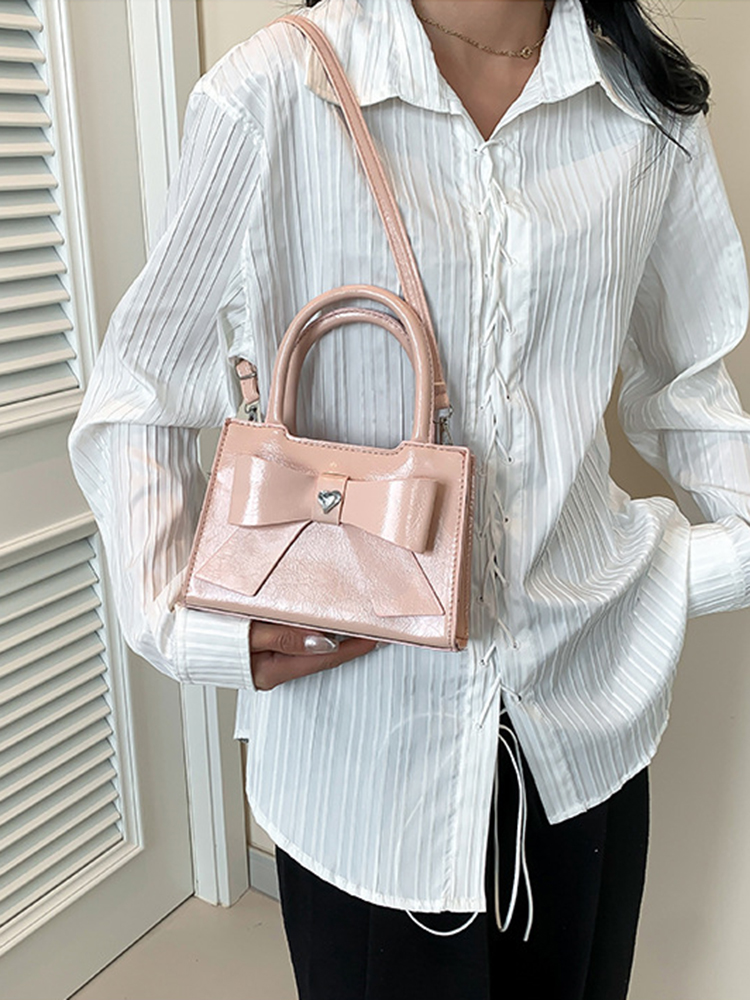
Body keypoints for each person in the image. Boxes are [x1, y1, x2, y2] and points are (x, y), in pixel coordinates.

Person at [66, 0, 750, 997]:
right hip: (359, 761)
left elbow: (688, 385)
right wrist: (193, 626)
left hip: (583, 731)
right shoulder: (274, 92)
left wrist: (706, 561)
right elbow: (139, 398)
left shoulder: (644, 114)